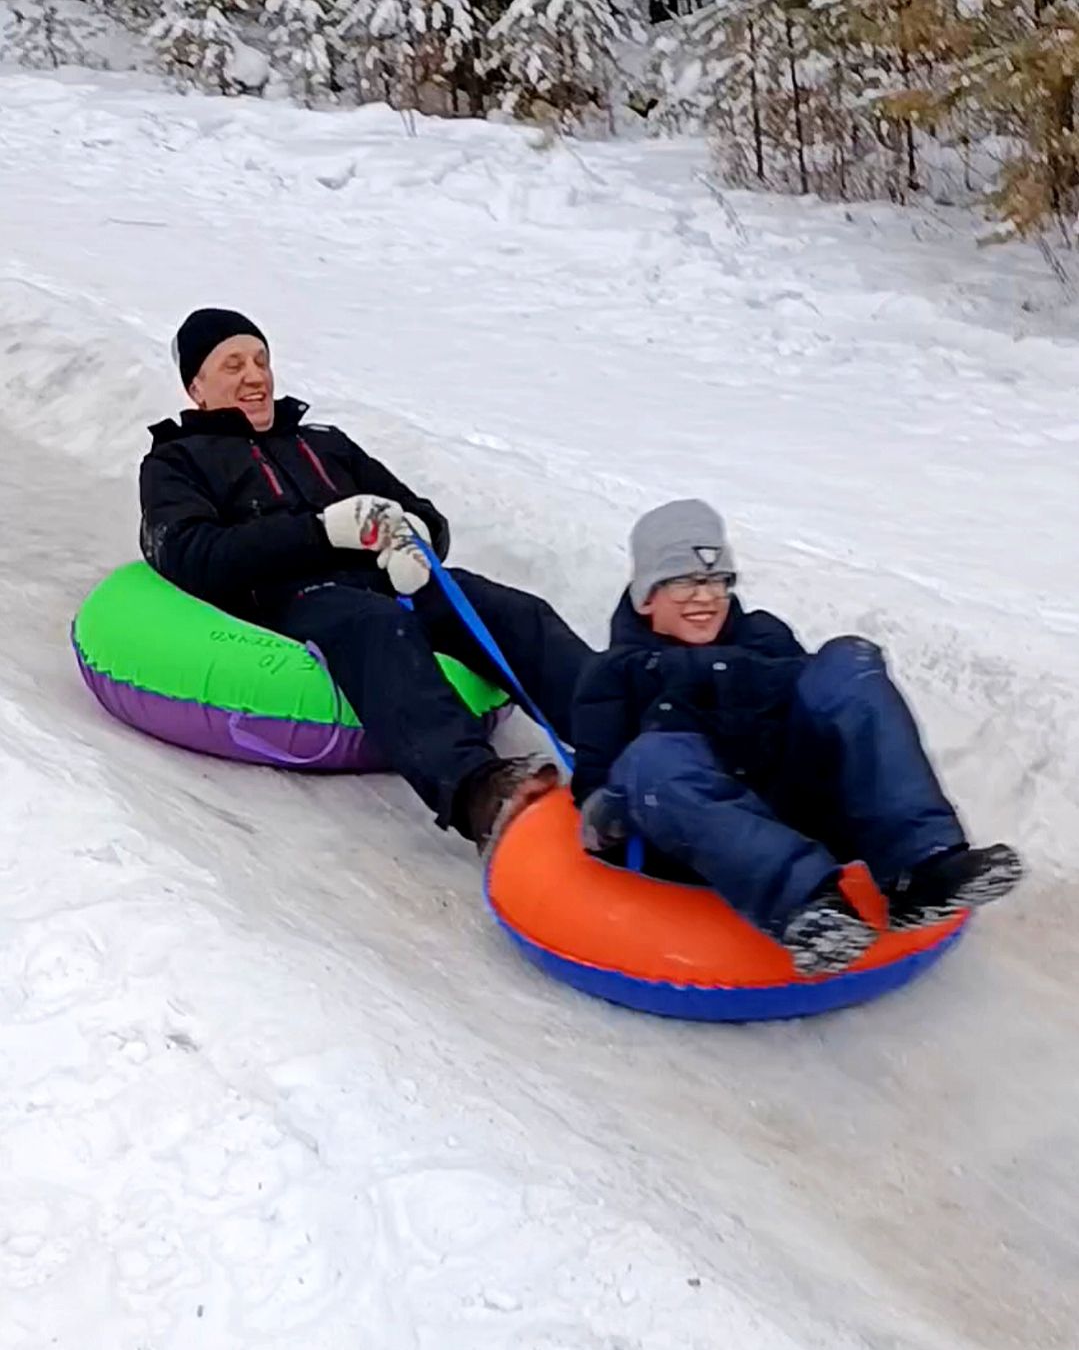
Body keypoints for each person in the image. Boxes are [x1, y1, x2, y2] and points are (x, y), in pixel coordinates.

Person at [140, 308, 589, 852]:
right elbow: (192, 554)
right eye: (233, 365)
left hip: (392, 579)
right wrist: (321, 532)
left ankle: (629, 738)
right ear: (197, 387)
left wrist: (415, 536)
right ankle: (481, 791)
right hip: (300, 596)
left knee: (511, 610)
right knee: (377, 629)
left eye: (261, 360)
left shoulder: (323, 442)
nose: (255, 376)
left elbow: (419, 511)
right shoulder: (177, 462)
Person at [571, 498, 1023, 976]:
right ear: (647, 596)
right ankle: (809, 909)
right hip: (697, 831)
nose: (705, 597)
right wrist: (614, 808)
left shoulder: (764, 635)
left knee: (848, 661)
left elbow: (822, 707)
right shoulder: (613, 674)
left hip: (790, 801)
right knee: (652, 757)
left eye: (718, 580)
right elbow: (596, 792)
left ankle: (921, 867)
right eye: (684, 580)